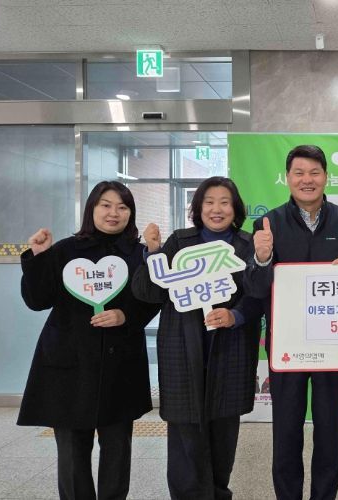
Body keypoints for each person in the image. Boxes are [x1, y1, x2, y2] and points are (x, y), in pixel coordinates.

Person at [244, 144, 338, 500]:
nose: (307, 180)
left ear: (326, 177)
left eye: (314, 172)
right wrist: (262, 257)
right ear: (287, 178)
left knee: (330, 431)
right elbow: (255, 289)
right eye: (299, 173)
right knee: (286, 432)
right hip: (287, 345)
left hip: (334, 344)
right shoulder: (268, 224)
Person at [18, 180, 159, 500]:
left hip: (120, 363)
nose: (114, 213)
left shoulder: (138, 253)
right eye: (105, 205)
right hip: (69, 364)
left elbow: (152, 298)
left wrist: (126, 315)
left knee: (117, 448)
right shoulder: (65, 250)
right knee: (71, 452)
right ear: (91, 209)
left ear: (131, 213)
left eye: (122, 207)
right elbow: (37, 300)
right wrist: (38, 257)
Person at [132, 177, 262, 499]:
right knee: (185, 437)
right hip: (182, 350)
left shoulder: (247, 244)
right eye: (209, 202)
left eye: (225, 202)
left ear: (235, 208)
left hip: (229, 351)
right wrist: (152, 252)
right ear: (198, 208)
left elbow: (258, 294)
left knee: (223, 436)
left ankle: (217, 493)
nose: (217, 209)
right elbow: (149, 292)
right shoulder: (179, 241)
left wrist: (235, 315)